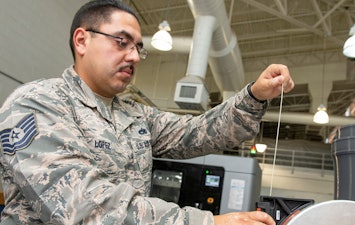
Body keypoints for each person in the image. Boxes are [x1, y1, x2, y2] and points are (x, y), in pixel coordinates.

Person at [0, 0, 294, 224]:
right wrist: (208, 221)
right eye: (121, 42)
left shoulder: (135, 115)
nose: (133, 56)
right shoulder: (36, 103)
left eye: (138, 48)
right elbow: (86, 207)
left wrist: (254, 95)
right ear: (82, 40)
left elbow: (198, 133)